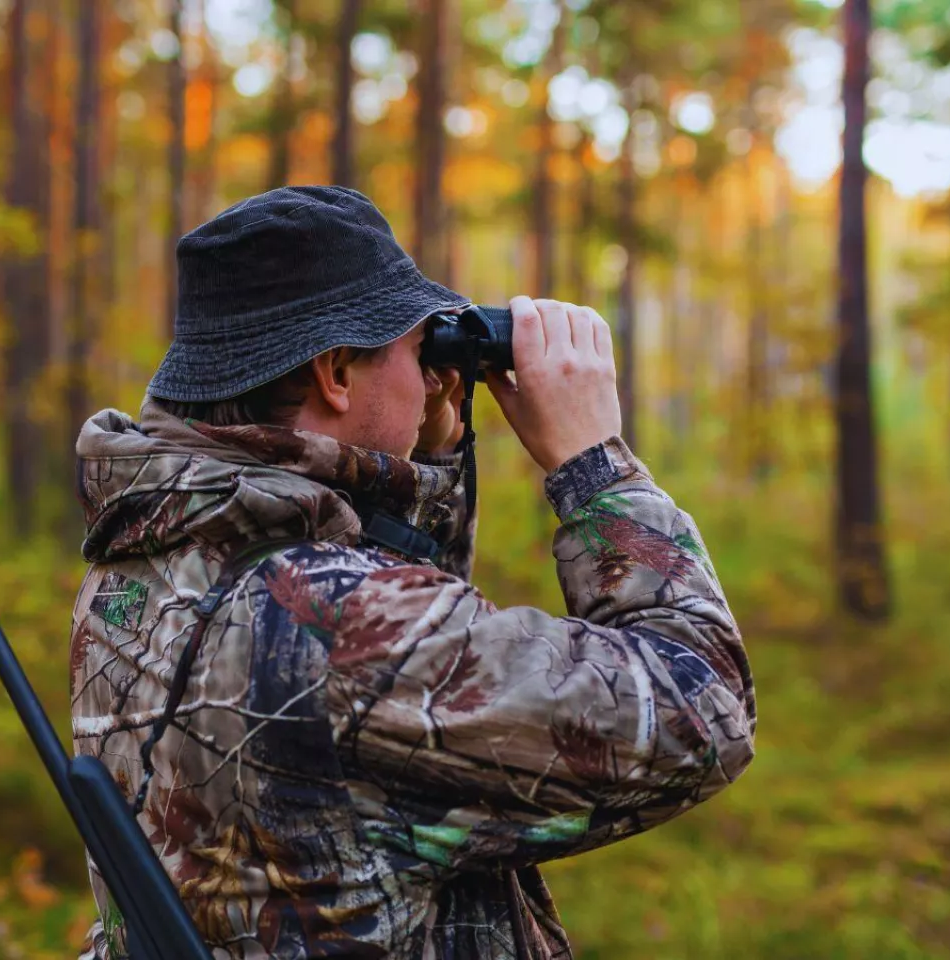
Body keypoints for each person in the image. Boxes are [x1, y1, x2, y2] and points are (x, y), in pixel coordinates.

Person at [70, 185, 755, 960]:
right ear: (334, 371)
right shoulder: (341, 624)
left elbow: (381, 665)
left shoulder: (145, 557)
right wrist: (595, 469)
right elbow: (702, 712)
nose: (431, 373)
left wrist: (423, 462)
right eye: (414, 346)